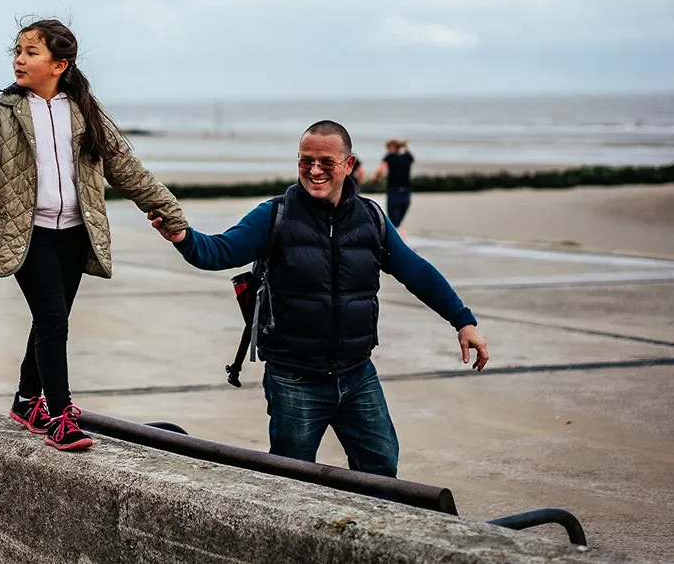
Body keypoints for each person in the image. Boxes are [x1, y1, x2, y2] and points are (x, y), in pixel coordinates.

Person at [149, 121, 488, 477]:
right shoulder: (274, 215)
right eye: (305, 161)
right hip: (295, 379)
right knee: (292, 481)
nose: (314, 170)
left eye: (326, 161)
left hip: (357, 374)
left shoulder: (371, 218)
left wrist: (463, 320)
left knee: (381, 469)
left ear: (348, 164)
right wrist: (184, 237)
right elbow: (217, 252)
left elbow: (416, 271)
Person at [0, 18, 187, 451]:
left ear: (59, 64)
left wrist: (167, 209)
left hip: (75, 233)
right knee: (53, 320)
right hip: (25, 234)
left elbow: (125, 166)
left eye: (31, 52)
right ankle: (59, 415)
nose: (19, 59)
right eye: (17, 51)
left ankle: (24, 400)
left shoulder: (84, 109)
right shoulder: (3, 110)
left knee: (50, 321)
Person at [371, 139, 414, 228]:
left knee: (393, 222)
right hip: (406, 192)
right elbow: (410, 156)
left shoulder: (389, 157)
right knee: (398, 221)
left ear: (391, 147)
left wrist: (374, 178)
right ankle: (398, 235)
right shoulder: (408, 157)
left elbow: (381, 170)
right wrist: (403, 146)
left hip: (393, 191)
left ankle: (394, 237)